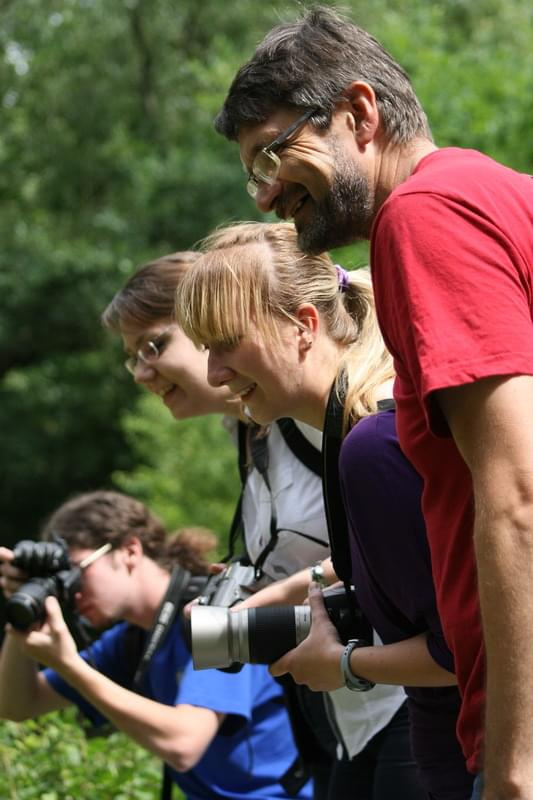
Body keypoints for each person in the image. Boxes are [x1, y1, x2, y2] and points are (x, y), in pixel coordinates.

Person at [212, 8, 533, 798]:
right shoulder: (496, 191)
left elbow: (517, 493)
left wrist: (514, 765)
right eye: (251, 171)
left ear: (358, 114)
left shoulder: (422, 216)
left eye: (273, 155)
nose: (265, 196)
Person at [174, 219, 472, 800]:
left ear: (304, 326)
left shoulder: (371, 447)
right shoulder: (371, 425)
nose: (213, 373)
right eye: (206, 349)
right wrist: (292, 591)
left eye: (228, 342)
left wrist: (343, 665)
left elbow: (466, 650)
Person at [102, 250, 413, 800]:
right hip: (342, 717)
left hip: (403, 699)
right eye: (132, 358)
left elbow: (388, 544)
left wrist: (260, 604)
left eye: (154, 346)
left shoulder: (327, 416)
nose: (142, 372)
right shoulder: (252, 430)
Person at [0, 489, 313, 800]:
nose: (72, 591)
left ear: (130, 551)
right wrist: (23, 613)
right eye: (60, 580)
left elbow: (183, 744)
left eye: (76, 572)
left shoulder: (217, 612)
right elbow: (19, 705)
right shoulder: (132, 639)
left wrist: (68, 664)